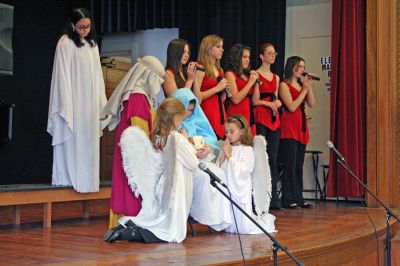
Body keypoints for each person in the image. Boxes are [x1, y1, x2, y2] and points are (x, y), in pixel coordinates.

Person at [104, 98, 199, 243]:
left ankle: (125, 229)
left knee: (159, 219)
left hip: (164, 184)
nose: (181, 122)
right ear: (174, 118)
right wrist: (187, 141)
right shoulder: (177, 138)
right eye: (181, 118)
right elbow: (193, 163)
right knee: (171, 231)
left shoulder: (160, 135)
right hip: (176, 187)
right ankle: (130, 234)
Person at [47, 8, 107, 193]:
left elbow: (98, 76)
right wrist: (66, 103)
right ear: (73, 25)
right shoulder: (65, 43)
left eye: (88, 26)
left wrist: (101, 104)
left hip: (89, 104)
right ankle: (67, 180)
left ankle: (88, 182)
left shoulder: (93, 45)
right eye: (81, 27)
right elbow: (61, 75)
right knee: (72, 139)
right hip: (73, 102)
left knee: (88, 142)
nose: (85, 30)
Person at [101, 56, 165, 228]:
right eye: (158, 81)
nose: (159, 86)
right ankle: (131, 223)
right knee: (131, 189)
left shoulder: (140, 95)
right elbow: (140, 131)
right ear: (149, 76)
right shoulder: (137, 97)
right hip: (135, 154)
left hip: (133, 151)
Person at [171, 88, 231, 229]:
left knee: (220, 175)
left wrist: (208, 147)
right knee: (204, 177)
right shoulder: (172, 122)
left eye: (191, 110)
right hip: (183, 164)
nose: (188, 113)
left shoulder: (195, 120)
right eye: (185, 109)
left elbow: (210, 139)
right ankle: (198, 213)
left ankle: (218, 218)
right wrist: (187, 144)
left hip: (199, 160)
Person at [218, 115, 276, 234]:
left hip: (240, 190)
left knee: (243, 228)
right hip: (228, 187)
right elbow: (219, 170)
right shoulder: (228, 148)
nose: (228, 135)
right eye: (226, 132)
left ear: (242, 131)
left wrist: (230, 156)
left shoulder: (247, 150)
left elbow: (245, 171)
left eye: (232, 131)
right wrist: (223, 156)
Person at [278, 56, 315, 209]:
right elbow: (292, 106)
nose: (302, 69)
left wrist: (308, 87)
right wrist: (304, 90)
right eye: (299, 66)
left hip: (301, 127)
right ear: (291, 67)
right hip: (289, 126)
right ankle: (287, 198)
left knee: (298, 164)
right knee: (290, 164)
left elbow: (312, 104)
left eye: (303, 66)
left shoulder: (302, 86)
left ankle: (299, 198)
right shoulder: (284, 85)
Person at [252, 43, 282, 210]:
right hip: (262, 116)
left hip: (273, 118)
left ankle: (274, 199)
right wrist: (267, 103)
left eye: (274, 53)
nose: (272, 55)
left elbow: (276, 97)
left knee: (273, 156)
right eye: (269, 53)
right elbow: (255, 101)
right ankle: (261, 197)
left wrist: (276, 103)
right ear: (262, 56)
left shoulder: (276, 77)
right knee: (262, 157)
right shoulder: (257, 75)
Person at [194, 34, 229, 139]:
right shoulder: (201, 69)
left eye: (222, 47)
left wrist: (224, 92)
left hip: (220, 112)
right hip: (207, 113)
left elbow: (221, 98)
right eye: (218, 47)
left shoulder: (220, 70)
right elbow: (197, 97)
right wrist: (217, 88)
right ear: (208, 49)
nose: (222, 50)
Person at [225, 43, 258, 135]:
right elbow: (235, 99)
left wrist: (256, 83)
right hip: (237, 117)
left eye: (249, 57)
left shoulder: (247, 76)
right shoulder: (230, 74)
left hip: (249, 116)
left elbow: (255, 100)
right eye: (244, 57)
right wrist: (250, 83)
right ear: (237, 58)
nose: (247, 60)